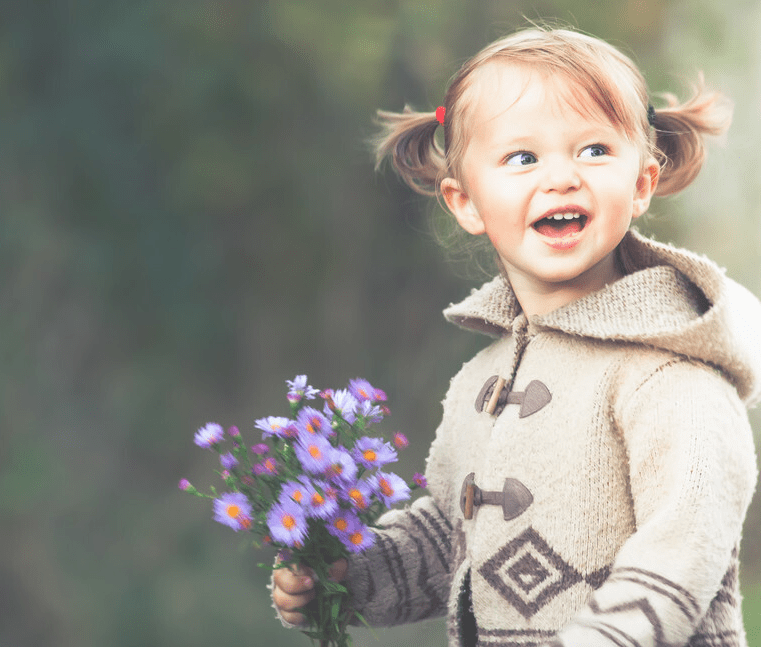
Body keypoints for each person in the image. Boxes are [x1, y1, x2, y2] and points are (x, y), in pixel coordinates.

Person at [271, 25, 761, 647]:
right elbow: (452, 537)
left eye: (593, 150)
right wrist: (351, 577)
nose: (561, 178)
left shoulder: (670, 374)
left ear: (641, 182)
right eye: (523, 158)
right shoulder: (484, 380)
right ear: (466, 201)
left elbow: (683, 545)